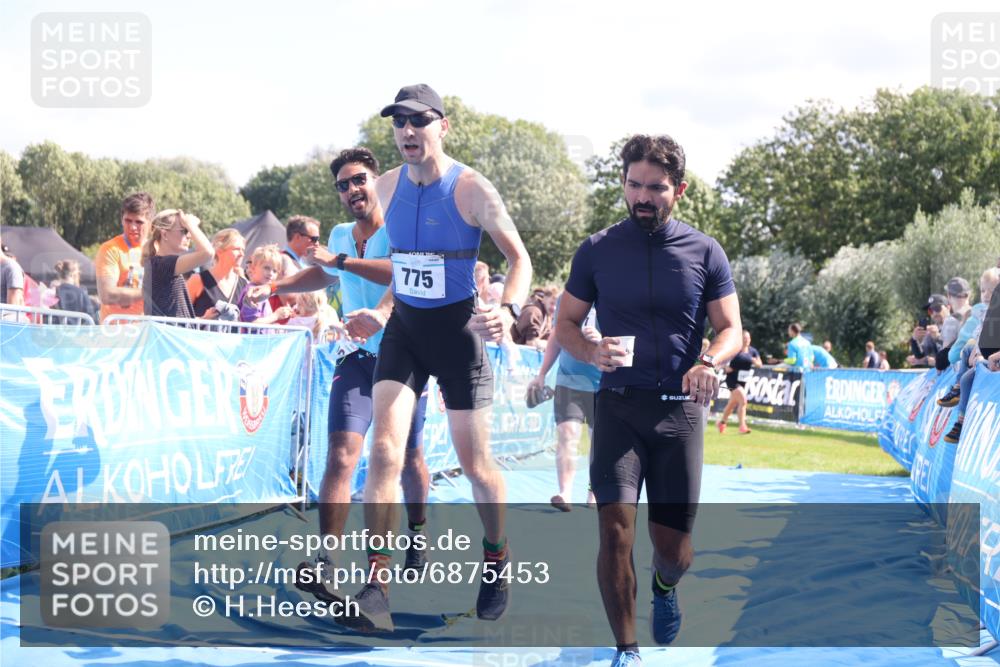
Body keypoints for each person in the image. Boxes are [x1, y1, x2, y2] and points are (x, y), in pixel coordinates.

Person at [342, 84, 532, 632]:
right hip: (406, 330)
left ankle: (496, 558)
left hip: (459, 331)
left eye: (418, 121)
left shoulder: (471, 188)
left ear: (442, 126)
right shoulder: (384, 187)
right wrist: (380, 313)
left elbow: (518, 259)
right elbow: (399, 267)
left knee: (477, 466)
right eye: (398, 122)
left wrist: (509, 307)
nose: (407, 131)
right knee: (382, 450)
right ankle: (376, 584)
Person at [556, 134, 742, 666]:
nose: (642, 196)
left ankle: (665, 585)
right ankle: (627, 649)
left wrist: (709, 362)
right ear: (623, 184)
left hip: (679, 416)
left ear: (678, 190)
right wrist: (591, 351)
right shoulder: (596, 249)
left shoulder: (705, 250)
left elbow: (731, 329)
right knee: (615, 530)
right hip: (617, 408)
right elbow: (565, 324)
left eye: (655, 188)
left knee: (673, 552)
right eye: (634, 184)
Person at [245, 147, 433, 606]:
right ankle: (327, 561)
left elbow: (402, 274)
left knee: (405, 460)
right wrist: (276, 285)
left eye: (359, 180)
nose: (352, 190)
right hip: (357, 359)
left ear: (377, 182)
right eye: (343, 185)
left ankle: (418, 530)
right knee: (342, 455)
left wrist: (350, 273)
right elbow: (323, 276)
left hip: (406, 358)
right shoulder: (338, 235)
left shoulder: (403, 228)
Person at [526, 297, 600, 511]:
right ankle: (565, 492)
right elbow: (557, 336)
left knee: (600, 441)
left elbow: (630, 338)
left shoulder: (614, 293)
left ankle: (593, 491)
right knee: (567, 434)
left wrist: (603, 339)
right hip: (569, 380)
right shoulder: (566, 298)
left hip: (603, 383)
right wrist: (541, 374)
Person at [141, 209, 213, 319]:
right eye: (184, 230)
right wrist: (191, 225)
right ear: (164, 234)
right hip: (167, 336)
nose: (189, 236)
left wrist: (202, 319)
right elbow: (208, 253)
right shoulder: (161, 264)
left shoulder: (160, 264)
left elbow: (174, 312)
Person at [96, 192, 155, 322]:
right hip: (115, 334)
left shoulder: (157, 250)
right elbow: (106, 295)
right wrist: (150, 293)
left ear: (150, 223)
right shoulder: (110, 249)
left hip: (147, 333)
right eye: (128, 220)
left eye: (139, 222)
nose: (133, 227)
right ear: (122, 219)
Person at [187, 228, 248, 319]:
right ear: (219, 250)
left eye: (243, 250)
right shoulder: (198, 280)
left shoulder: (243, 284)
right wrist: (202, 319)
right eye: (236, 249)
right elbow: (179, 315)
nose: (241, 254)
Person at [718, 330, 762, 434]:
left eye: (748, 338)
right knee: (743, 401)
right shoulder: (735, 351)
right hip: (732, 380)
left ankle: (722, 422)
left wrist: (754, 361)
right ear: (740, 339)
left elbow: (760, 364)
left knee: (732, 404)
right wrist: (727, 367)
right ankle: (742, 426)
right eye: (744, 338)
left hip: (743, 381)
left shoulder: (753, 351)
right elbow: (724, 363)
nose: (747, 340)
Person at [238, 244, 295, 324]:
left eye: (275, 271)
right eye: (266, 268)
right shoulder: (254, 292)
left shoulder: (263, 290)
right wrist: (276, 316)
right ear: (253, 268)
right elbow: (251, 324)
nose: (271, 273)